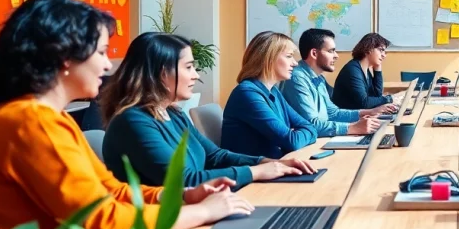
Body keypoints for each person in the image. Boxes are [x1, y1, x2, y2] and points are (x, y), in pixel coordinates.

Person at [0, 0, 253, 229]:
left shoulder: (46, 117)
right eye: (101, 52)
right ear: (65, 57)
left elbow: (111, 191)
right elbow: (107, 223)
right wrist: (203, 211)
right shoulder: (30, 122)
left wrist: (180, 196)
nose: (107, 63)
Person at [101, 32, 316, 188]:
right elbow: (185, 181)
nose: (196, 75)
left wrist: (269, 163)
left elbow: (215, 156)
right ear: (160, 73)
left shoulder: (173, 114)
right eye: (188, 67)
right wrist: (257, 171)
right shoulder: (133, 121)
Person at [221, 31, 319, 159]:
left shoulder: (273, 91)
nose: (295, 63)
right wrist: (297, 134)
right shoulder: (247, 94)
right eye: (289, 56)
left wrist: (299, 134)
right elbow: (292, 142)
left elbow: (310, 127)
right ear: (269, 59)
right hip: (253, 175)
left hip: (274, 167)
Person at [280, 28, 383, 137]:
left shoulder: (318, 78)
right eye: (331, 51)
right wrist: (352, 127)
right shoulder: (297, 78)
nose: (336, 56)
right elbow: (310, 124)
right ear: (314, 53)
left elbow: (333, 113)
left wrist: (368, 112)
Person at [332, 32, 402, 112]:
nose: (384, 55)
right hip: (347, 120)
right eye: (381, 50)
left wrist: (377, 69)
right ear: (369, 49)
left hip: (360, 116)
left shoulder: (365, 69)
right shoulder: (353, 70)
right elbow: (364, 102)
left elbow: (376, 95)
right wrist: (389, 99)